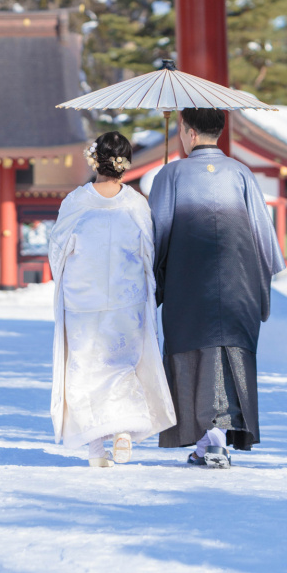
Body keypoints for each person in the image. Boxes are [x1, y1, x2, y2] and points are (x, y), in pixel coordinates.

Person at [149, 107, 284, 468]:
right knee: (230, 353)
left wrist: (150, 280)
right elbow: (263, 237)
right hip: (240, 281)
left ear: (189, 133)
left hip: (188, 281)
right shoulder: (242, 173)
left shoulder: (171, 174)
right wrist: (262, 286)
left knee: (195, 352)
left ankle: (211, 441)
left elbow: (156, 235)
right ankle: (215, 440)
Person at [48, 131, 176, 467]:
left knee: (86, 370)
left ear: (95, 160)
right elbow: (149, 251)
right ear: (125, 163)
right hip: (126, 298)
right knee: (123, 367)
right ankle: (122, 432)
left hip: (83, 301)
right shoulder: (135, 204)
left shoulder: (76, 202)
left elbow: (58, 251)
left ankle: (95, 448)